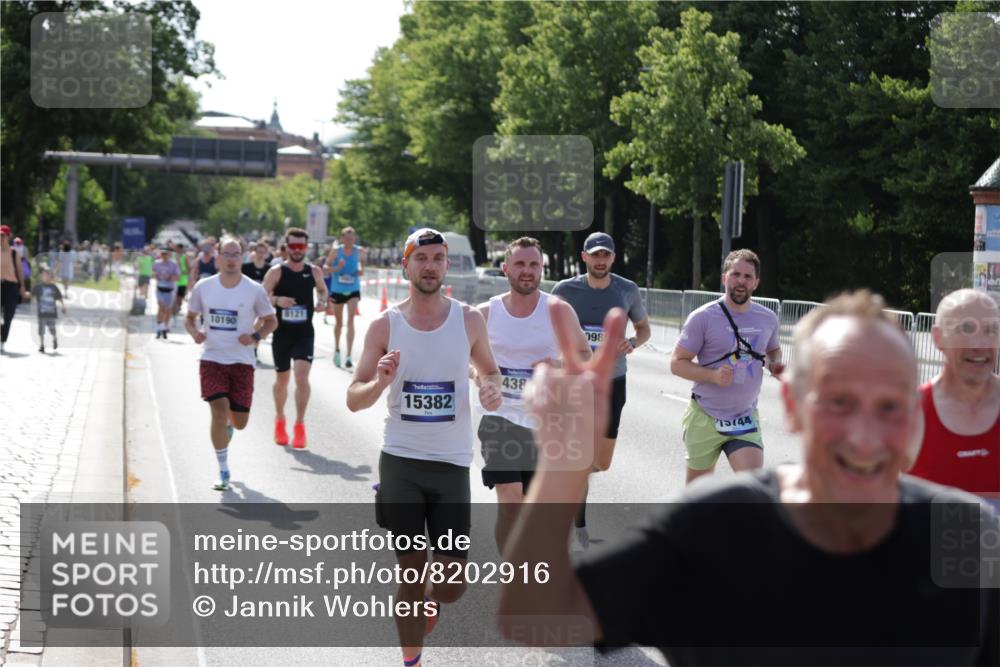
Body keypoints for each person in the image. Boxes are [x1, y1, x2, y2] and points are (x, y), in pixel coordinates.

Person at [498, 290, 999, 665]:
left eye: (889, 406)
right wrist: (564, 462)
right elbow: (529, 611)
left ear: (914, 415)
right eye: (838, 403)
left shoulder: (964, 534)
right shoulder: (716, 527)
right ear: (793, 408)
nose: (864, 436)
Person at [347, 228, 502, 667]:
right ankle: (411, 660)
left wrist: (491, 390)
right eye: (422, 258)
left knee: (451, 585)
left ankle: (429, 604)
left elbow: (489, 371)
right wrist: (379, 382)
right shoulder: (385, 325)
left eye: (438, 258)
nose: (430, 265)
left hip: (452, 464)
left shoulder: (469, 319)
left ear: (446, 266)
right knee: (411, 572)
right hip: (400, 461)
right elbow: (353, 398)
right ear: (406, 265)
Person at [476, 236, 590, 552]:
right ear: (505, 268)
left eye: (534, 264)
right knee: (511, 500)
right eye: (520, 264)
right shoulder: (486, 313)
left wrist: (558, 365)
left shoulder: (558, 311)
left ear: (542, 269)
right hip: (500, 419)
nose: (527, 271)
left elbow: (584, 355)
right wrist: (483, 380)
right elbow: (466, 360)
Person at [552, 231, 651, 548]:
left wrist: (632, 342)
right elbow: (546, 329)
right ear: (584, 257)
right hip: (576, 382)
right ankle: (576, 523)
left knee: (601, 463)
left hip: (613, 381)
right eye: (594, 255)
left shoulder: (627, 289)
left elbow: (644, 328)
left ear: (613, 257)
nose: (600, 260)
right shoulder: (565, 290)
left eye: (605, 255)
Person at [670, 249, 784, 484]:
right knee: (697, 498)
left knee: (753, 490)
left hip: (744, 418)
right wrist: (712, 376)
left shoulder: (768, 318)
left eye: (747, 277)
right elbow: (676, 364)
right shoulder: (702, 317)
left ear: (756, 283)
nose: (741, 281)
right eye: (736, 274)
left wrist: (776, 365)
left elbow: (773, 350)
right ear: (724, 278)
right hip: (705, 416)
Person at [185, 237, 277, 491]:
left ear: (242, 258)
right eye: (227, 254)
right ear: (218, 257)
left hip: (242, 361)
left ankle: (229, 425)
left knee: (239, 422)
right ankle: (223, 469)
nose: (231, 259)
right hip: (211, 358)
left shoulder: (253, 290)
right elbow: (190, 317)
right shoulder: (204, 287)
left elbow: (271, 321)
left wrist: (255, 337)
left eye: (236, 254)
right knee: (218, 408)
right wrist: (195, 333)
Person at [908, 288, 1000, 509]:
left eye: (991, 330)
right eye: (966, 329)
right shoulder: (908, 413)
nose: (980, 345)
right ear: (939, 338)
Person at [261, 228, 328, 449]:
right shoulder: (276, 272)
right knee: (282, 380)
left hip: (304, 333)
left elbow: (322, 292)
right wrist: (277, 299)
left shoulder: (314, 271)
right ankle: (280, 419)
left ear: (306, 248)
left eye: (301, 246)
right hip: (281, 333)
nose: (297, 250)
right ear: (286, 247)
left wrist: (321, 302)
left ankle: (299, 425)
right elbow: (261, 297)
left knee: (301, 377)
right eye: (293, 246)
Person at [323, 227, 364, 367]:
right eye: (347, 238)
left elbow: (361, 268)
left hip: (353, 289)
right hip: (337, 289)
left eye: (352, 238)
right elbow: (325, 268)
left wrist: (360, 270)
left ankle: (349, 356)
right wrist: (337, 268)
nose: (349, 241)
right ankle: (337, 350)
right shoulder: (336, 251)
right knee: (339, 323)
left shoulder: (359, 251)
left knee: (351, 320)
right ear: (342, 239)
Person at [1, 225, 29, 353]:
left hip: (11, 286)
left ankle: (2, 340)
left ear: (8, 236)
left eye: (3, 236)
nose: (1, 238)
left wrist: (22, 287)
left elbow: (19, 271)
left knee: (9, 316)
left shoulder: (14, 253)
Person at [33, 269, 66, 353]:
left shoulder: (53, 287)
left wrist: (63, 306)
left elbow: (59, 297)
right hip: (41, 313)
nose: (44, 276)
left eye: (46, 275)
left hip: (51, 313)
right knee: (41, 330)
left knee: (52, 329)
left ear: (50, 277)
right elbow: (32, 295)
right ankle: (42, 345)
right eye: (43, 275)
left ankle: (54, 338)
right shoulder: (38, 287)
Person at [151, 247, 180, 340]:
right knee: (161, 307)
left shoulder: (173, 264)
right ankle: (159, 326)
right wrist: (156, 275)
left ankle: (165, 327)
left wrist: (171, 277)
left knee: (167, 310)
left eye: (166, 254)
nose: (164, 255)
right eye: (162, 253)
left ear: (169, 254)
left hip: (169, 290)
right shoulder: (157, 263)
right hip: (160, 289)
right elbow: (153, 273)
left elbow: (177, 277)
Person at [172, 243, 190, 317]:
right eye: (176, 249)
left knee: (180, 297)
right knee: (174, 296)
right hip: (174, 280)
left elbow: (189, 268)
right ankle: (174, 309)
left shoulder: (184, 257)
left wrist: (183, 272)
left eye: (178, 249)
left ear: (181, 249)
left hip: (183, 280)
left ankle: (178, 307)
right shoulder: (172, 256)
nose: (177, 250)